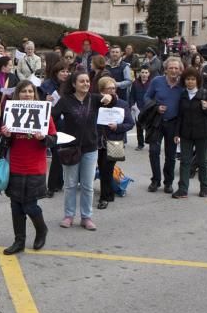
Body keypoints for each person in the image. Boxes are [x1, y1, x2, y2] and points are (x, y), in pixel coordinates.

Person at [0, 80, 56, 253]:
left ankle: (41, 229)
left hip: (35, 167)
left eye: (30, 91)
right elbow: (6, 143)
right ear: (18, 94)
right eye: (23, 91)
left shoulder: (44, 113)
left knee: (30, 206)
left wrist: (43, 139)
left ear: (35, 94)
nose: (27, 94)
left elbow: (53, 139)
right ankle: (19, 241)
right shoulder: (11, 111)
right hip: (15, 166)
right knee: (16, 206)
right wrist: (7, 135)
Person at [54, 70, 113, 230]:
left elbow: (112, 102)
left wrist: (109, 97)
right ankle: (69, 215)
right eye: (82, 81)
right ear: (74, 84)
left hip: (90, 148)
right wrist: (59, 134)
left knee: (87, 185)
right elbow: (51, 117)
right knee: (70, 184)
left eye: (87, 81)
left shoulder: (94, 98)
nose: (86, 84)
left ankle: (86, 217)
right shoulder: (65, 101)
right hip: (69, 148)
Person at [144, 56, 184, 193]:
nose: (173, 70)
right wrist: (157, 107)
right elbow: (146, 97)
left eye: (176, 68)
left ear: (180, 70)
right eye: (170, 68)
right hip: (157, 121)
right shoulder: (157, 81)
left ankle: (168, 182)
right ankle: (155, 180)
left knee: (171, 155)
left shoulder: (183, 85)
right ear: (166, 70)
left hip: (173, 124)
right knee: (153, 151)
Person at [172, 67, 207, 198]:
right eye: (188, 79)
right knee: (184, 161)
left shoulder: (206, 94)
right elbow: (180, 116)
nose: (190, 82)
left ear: (197, 80)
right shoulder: (182, 95)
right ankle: (183, 189)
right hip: (186, 134)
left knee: (202, 161)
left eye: (193, 79)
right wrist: (177, 133)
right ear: (184, 81)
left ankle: (204, 187)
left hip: (203, 133)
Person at [95, 76, 134, 210]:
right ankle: (109, 192)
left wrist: (117, 127)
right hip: (98, 142)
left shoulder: (122, 103)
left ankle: (104, 197)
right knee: (102, 168)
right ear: (101, 90)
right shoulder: (97, 102)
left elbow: (130, 123)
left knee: (107, 169)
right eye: (108, 88)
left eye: (113, 88)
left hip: (114, 141)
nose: (112, 90)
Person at [41, 60, 72, 195]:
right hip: (53, 122)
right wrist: (45, 100)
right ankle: (52, 186)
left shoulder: (71, 85)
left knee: (62, 154)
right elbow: (38, 103)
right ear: (56, 72)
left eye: (67, 71)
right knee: (57, 154)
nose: (65, 74)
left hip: (68, 122)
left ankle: (59, 183)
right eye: (62, 71)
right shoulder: (47, 85)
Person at [129, 66, 152, 150]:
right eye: (142, 72)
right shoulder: (135, 83)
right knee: (139, 128)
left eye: (146, 72)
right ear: (139, 73)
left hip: (149, 109)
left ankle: (149, 142)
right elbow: (132, 96)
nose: (144, 74)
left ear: (149, 74)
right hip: (138, 108)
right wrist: (132, 105)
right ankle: (140, 144)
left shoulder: (152, 83)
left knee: (149, 127)